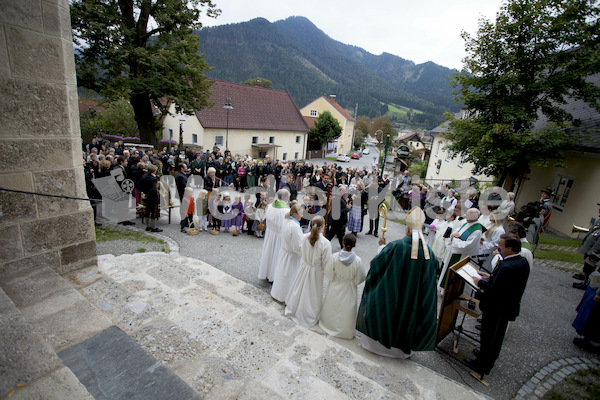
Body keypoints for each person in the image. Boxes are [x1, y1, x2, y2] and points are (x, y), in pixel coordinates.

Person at [356, 207, 438, 358]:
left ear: (407, 230)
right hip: (412, 300)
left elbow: (377, 265)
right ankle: (402, 350)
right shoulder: (430, 254)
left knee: (386, 306)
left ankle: (378, 345)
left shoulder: (396, 247)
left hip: (393, 294)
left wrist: (381, 246)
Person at [469, 234, 530, 375]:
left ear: (510, 248)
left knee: (489, 336)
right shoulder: (520, 261)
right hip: (505, 307)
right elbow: (506, 283)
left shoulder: (508, 266)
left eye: (501, 245)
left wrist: (480, 282)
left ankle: (482, 365)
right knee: (495, 337)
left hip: (497, 308)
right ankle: (487, 356)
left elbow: (494, 290)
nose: (499, 247)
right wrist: (490, 277)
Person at [285, 216, 332, 327]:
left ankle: (295, 307)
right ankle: (307, 313)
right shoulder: (325, 243)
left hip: (305, 267)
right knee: (312, 293)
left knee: (301, 288)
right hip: (316, 271)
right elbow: (326, 262)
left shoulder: (305, 237)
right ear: (323, 226)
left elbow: (302, 252)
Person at [319, 234, 366, 339]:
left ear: (343, 243)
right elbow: (360, 278)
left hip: (336, 285)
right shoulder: (358, 261)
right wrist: (353, 281)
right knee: (345, 310)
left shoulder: (335, 257)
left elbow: (328, 272)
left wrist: (333, 278)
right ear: (354, 245)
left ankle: (329, 325)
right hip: (349, 288)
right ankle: (345, 330)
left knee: (333, 306)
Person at [439, 208, 485, 290]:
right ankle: (444, 289)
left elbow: (467, 246)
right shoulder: (467, 223)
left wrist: (455, 239)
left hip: (461, 256)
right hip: (454, 252)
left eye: (467, 215)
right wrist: (454, 235)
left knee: (455, 279)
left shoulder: (477, 230)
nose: (465, 216)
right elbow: (457, 232)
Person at [271, 203, 304, 303]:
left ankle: (278, 293)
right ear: (295, 214)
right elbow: (297, 247)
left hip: (285, 252)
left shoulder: (286, 220)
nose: (302, 216)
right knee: (289, 277)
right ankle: (286, 297)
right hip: (292, 256)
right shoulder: (294, 227)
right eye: (301, 214)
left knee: (282, 275)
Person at [258, 189, 290, 282]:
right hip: (279, 235)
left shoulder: (270, 206)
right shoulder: (286, 210)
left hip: (270, 233)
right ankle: (274, 276)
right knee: (277, 255)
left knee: (269, 253)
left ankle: (267, 272)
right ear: (287, 197)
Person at [573, 203, 600, 289]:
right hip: (590, 248)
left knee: (589, 268)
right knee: (587, 266)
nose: (599, 209)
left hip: (594, 251)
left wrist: (593, 252)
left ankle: (585, 283)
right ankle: (584, 277)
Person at [138, 164, 162, 232]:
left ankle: (148, 226)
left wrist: (142, 193)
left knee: (147, 211)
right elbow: (153, 189)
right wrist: (148, 194)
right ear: (154, 171)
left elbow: (139, 185)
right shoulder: (154, 179)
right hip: (152, 197)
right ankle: (153, 227)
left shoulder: (144, 176)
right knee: (153, 212)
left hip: (145, 197)